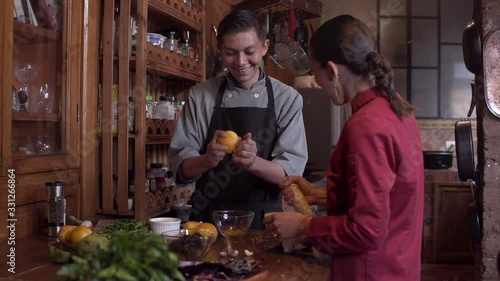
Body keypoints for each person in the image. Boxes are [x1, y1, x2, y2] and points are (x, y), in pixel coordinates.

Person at [263, 15, 424, 280]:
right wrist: (315, 195)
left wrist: (304, 225)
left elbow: (367, 230)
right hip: (398, 266)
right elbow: (384, 198)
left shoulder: (366, 126)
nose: (318, 84)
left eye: (315, 74)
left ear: (332, 71)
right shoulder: (397, 108)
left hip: (369, 271)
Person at [168, 9, 308, 229]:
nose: (241, 61)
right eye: (231, 52)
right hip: (208, 220)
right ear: (220, 51)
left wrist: (253, 163)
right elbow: (181, 169)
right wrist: (207, 159)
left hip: (265, 220)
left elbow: (290, 173)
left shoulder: (287, 98)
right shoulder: (200, 95)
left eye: (249, 51)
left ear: (264, 47)